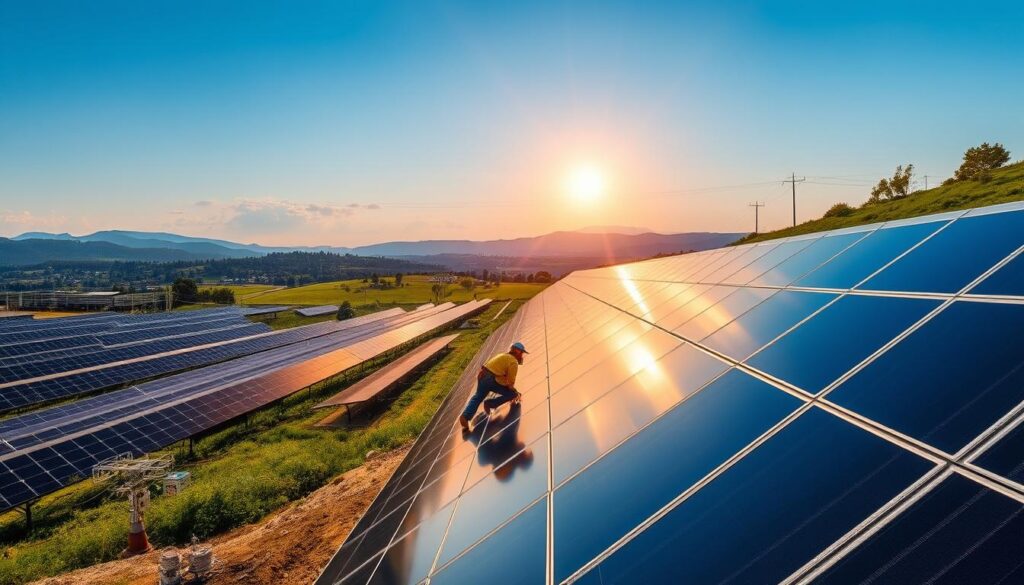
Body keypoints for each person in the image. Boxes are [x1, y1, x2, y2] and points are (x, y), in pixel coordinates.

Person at [459, 342, 527, 432]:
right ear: (517, 352)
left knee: (478, 396)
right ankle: (490, 403)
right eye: (522, 353)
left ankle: (465, 416)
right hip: (492, 379)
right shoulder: (513, 362)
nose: (522, 356)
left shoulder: (503, 355)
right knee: (512, 394)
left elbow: (500, 375)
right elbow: (510, 382)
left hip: (482, 375)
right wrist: (515, 393)